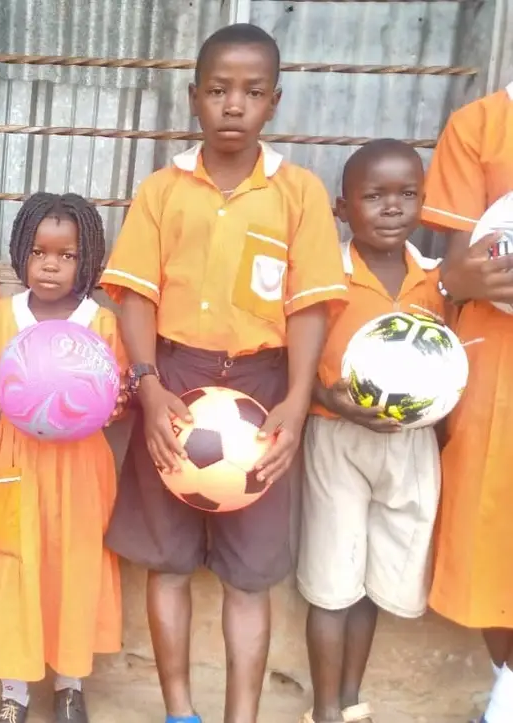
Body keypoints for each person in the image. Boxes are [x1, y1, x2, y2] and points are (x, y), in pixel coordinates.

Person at [98, 23, 348, 723]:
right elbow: (136, 296)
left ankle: (243, 714)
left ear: (274, 102)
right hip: (173, 379)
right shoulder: (162, 191)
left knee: (250, 574)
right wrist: (148, 390)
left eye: (252, 91)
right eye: (217, 90)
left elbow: (307, 309)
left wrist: (297, 402)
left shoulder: (298, 194)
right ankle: (180, 710)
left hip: (265, 389)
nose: (233, 105)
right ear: (193, 97)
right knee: (168, 561)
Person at [298, 140, 443, 723]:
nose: (392, 208)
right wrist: (320, 397)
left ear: (424, 203)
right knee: (333, 579)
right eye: (374, 196)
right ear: (341, 207)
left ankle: (352, 700)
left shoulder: (433, 280)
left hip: (409, 444)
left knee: (375, 581)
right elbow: (297, 355)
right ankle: (325, 709)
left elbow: (448, 364)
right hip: (336, 436)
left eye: (407, 194)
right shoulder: (324, 276)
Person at [0, 192, 127, 723]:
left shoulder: (98, 323)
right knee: (13, 567)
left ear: (88, 261)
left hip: (79, 465)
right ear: (21, 253)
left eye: (67, 255)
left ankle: (69, 684)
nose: (51, 265)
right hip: (14, 461)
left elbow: (116, 395)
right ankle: (13, 690)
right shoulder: (3, 314)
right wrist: (8, 377)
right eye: (39, 253)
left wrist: (106, 399)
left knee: (73, 566)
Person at [421, 81, 513, 723]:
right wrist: (464, 277)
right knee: (492, 532)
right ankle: (506, 687)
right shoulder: (482, 124)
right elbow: (456, 267)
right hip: (493, 359)